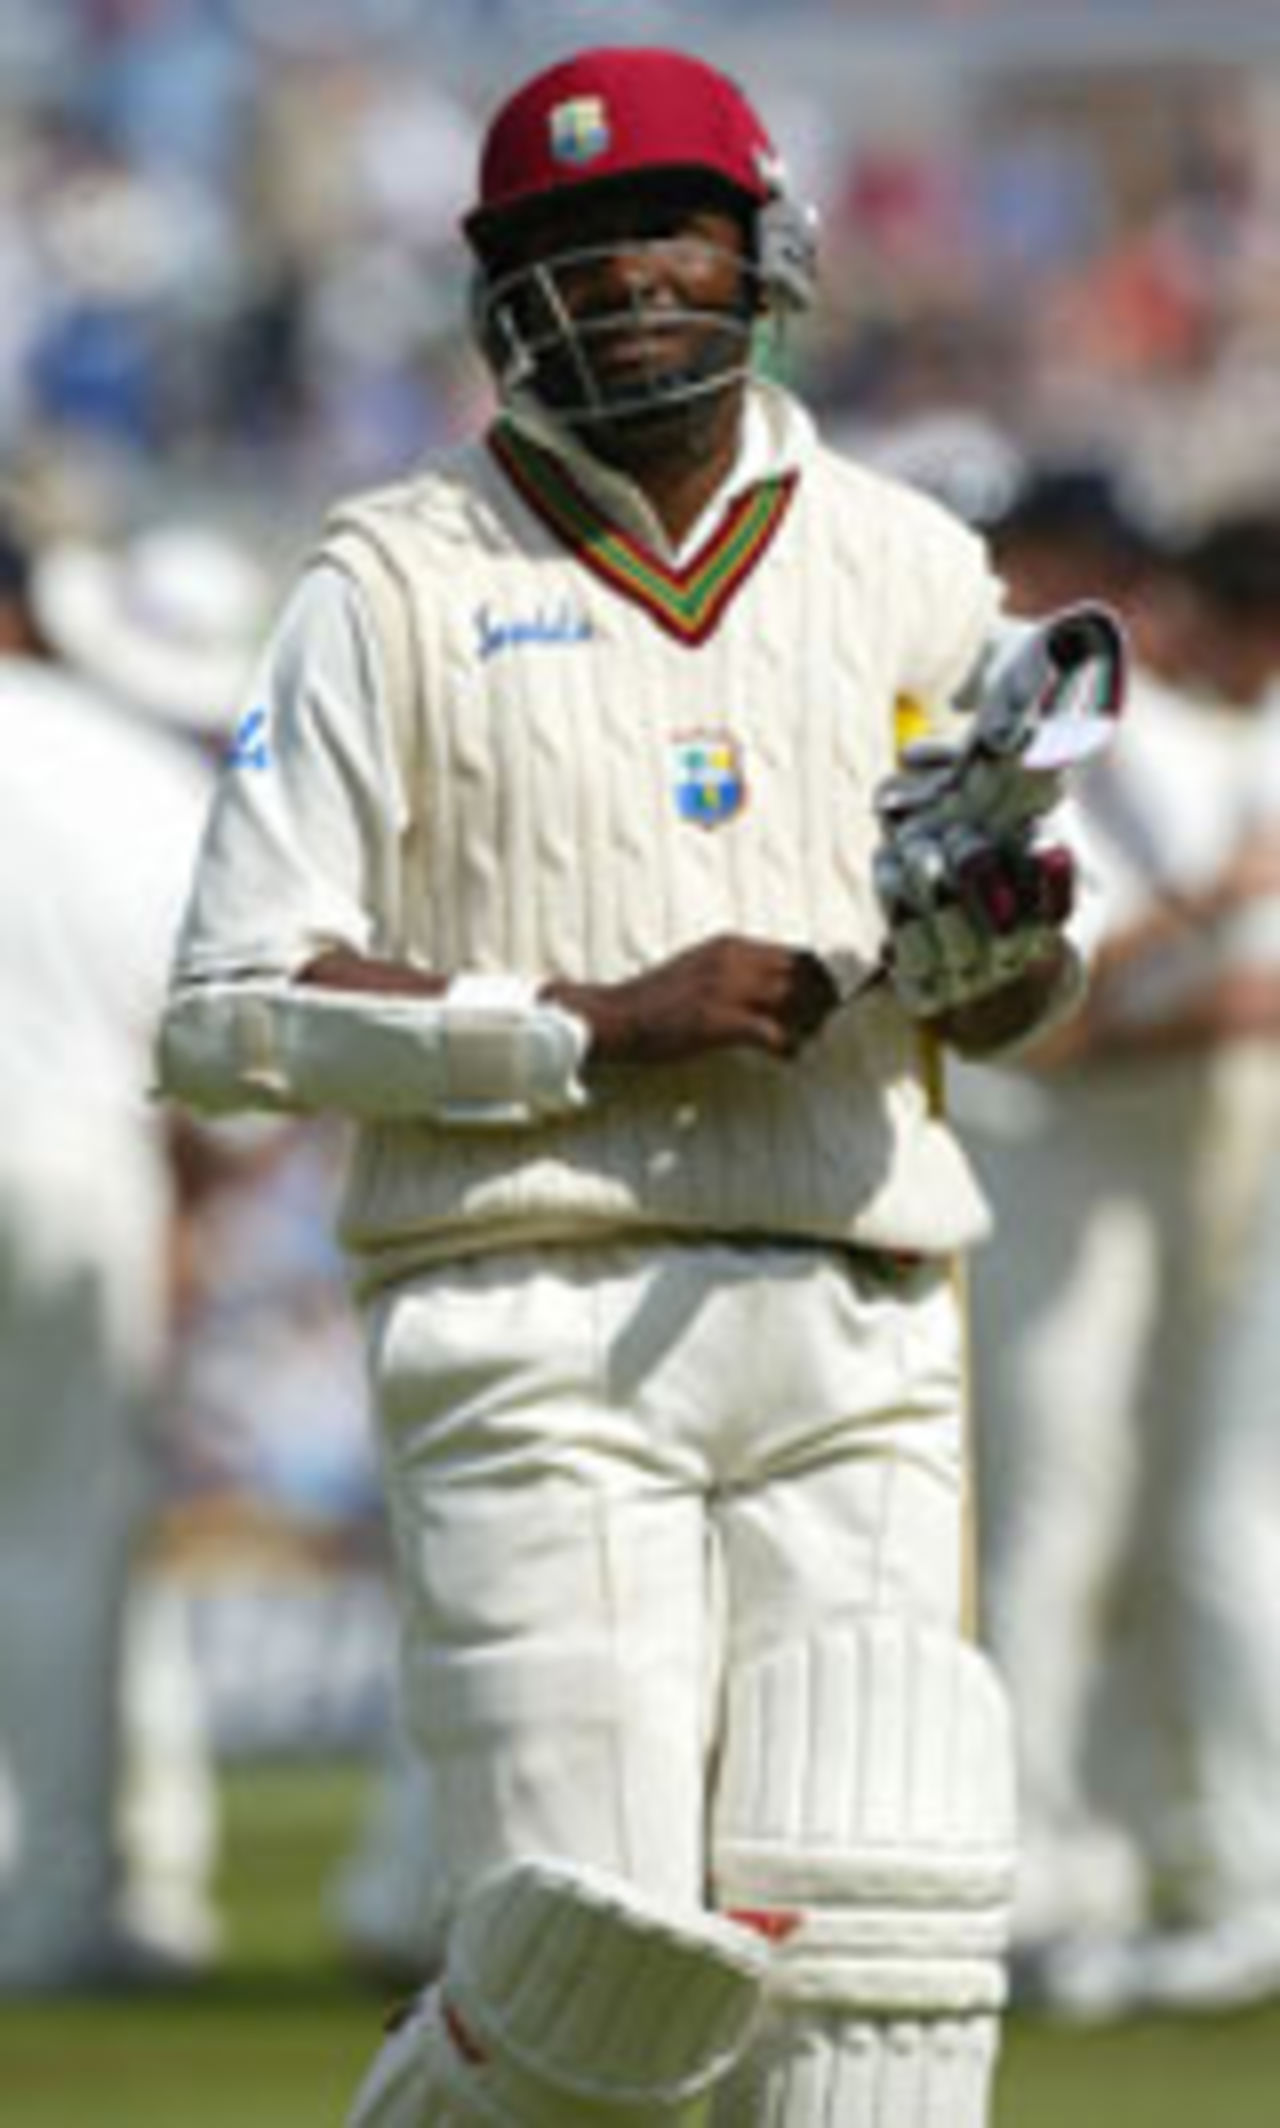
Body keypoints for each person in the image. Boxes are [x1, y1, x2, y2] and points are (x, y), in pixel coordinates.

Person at [156, 46, 1107, 2127]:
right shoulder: (387, 578)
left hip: (856, 1301)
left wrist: (1007, 951)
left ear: (762, 251)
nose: (625, 281)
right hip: (527, 1310)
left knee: (883, 1963)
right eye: (567, 246)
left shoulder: (910, 568)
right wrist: (588, 1014)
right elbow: (224, 1008)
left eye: (666, 226)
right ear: (501, 291)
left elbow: (1035, 996)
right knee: (596, 1984)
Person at [0, 507, 268, 1990]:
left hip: (74, 1139)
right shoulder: (108, 757)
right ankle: (66, 1903)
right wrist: (195, 1201)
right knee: (61, 1544)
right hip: (67, 1156)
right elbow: (218, 1020)